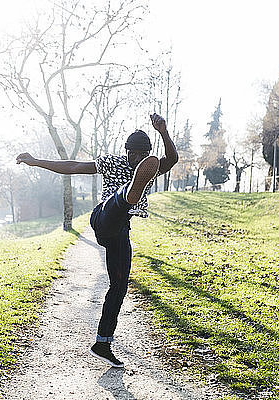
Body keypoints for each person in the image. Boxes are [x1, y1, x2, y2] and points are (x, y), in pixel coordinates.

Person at [16, 113, 178, 368]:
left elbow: (173, 159)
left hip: (120, 231)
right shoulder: (112, 162)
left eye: (142, 155)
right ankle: (128, 192)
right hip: (103, 218)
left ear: (148, 155)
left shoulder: (152, 167)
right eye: (132, 154)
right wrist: (36, 162)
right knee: (119, 201)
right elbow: (74, 166)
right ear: (126, 152)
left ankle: (102, 343)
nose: (136, 158)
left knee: (119, 286)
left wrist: (163, 131)